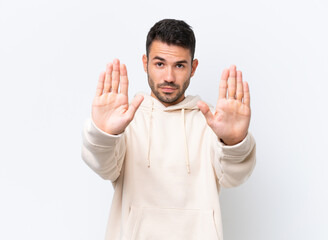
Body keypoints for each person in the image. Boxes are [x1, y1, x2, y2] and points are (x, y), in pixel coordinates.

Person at [81, 19, 256, 240]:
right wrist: (104, 134)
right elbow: (104, 166)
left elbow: (233, 177)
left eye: (180, 65)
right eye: (160, 64)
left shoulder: (212, 121)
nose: (169, 77)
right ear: (145, 63)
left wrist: (234, 142)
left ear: (193, 68)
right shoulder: (126, 119)